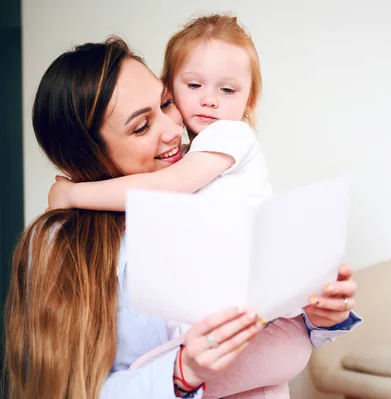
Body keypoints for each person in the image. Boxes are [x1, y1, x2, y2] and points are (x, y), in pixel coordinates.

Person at [4, 33, 360, 399]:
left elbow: (259, 312)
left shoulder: (207, 180)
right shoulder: (59, 242)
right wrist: (179, 374)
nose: (175, 130)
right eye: (142, 126)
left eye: (166, 104)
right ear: (89, 155)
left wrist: (318, 314)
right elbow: (62, 391)